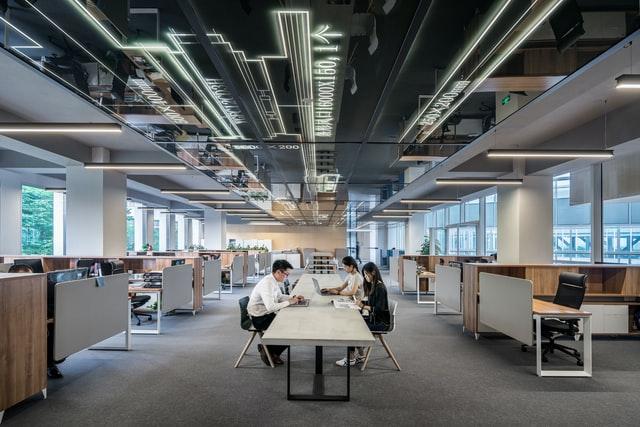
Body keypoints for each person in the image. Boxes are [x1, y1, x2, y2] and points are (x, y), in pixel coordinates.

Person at [247, 260, 304, 366]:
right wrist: (289, 302)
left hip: (266, 313)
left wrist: (293, 297)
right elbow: (271, 307)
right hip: (259, 317)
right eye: (286, 274)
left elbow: (279, 297)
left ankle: (269, 349)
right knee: (291, 330)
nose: (287, 277)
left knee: (293, 325)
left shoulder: (273, 280)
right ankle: (269, 350)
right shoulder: (267, 283)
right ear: (278, 272)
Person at [336, 262, 391, 367]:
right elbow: (372, 304)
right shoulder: (374, 286)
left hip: (381, 323)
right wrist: (361, 303)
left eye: (366, 274)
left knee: (352, 327)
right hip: (375, 318)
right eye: (364, 275)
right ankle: (361, 355)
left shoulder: (380, 287)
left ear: (373, 272)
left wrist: (362, 306)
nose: (365, 277)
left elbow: (378, 310)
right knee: (352, 322)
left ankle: (351, 358)